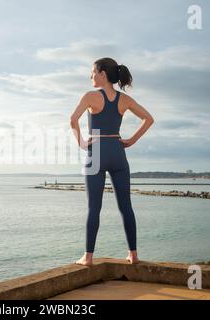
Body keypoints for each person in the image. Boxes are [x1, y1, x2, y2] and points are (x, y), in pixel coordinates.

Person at [69, 57, 154, 266]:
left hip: (96, 151)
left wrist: (81, 142)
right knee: (126, 207)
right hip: (118, 151)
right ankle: (133, 255)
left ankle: (88, 257)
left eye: (93, 72)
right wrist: (131, 141)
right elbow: (149, 119)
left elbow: (72, 120)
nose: (91, 76)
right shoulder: (124, 99)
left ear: (102, 74)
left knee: (94, 208)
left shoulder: (90, 97)